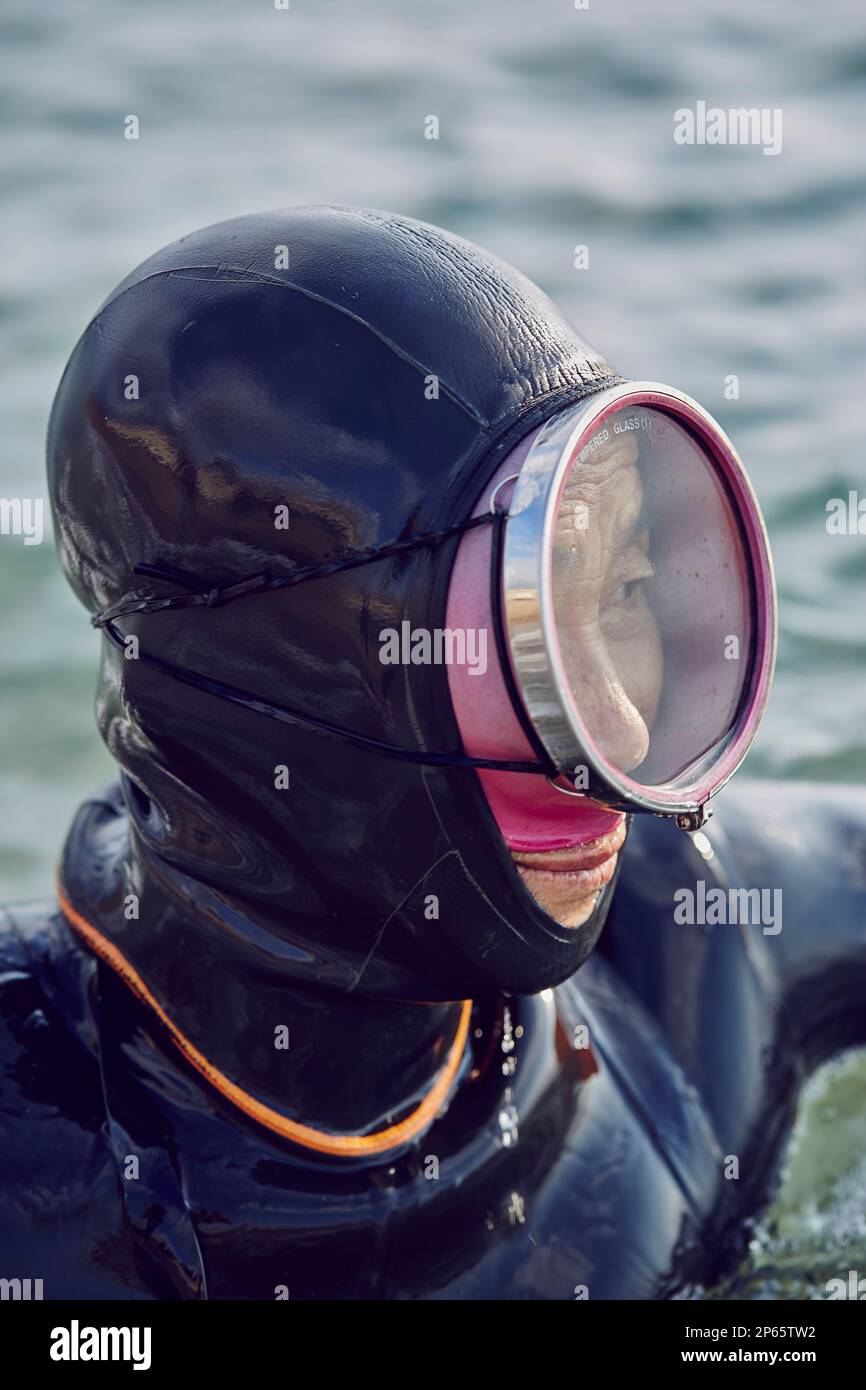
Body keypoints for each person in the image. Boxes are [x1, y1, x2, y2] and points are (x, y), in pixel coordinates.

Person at [1, 205, 864, 1301]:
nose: (620, 736)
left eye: (625, 593)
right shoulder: (38, 1178)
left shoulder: (687, 954)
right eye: (522, 635)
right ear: (248, 678)